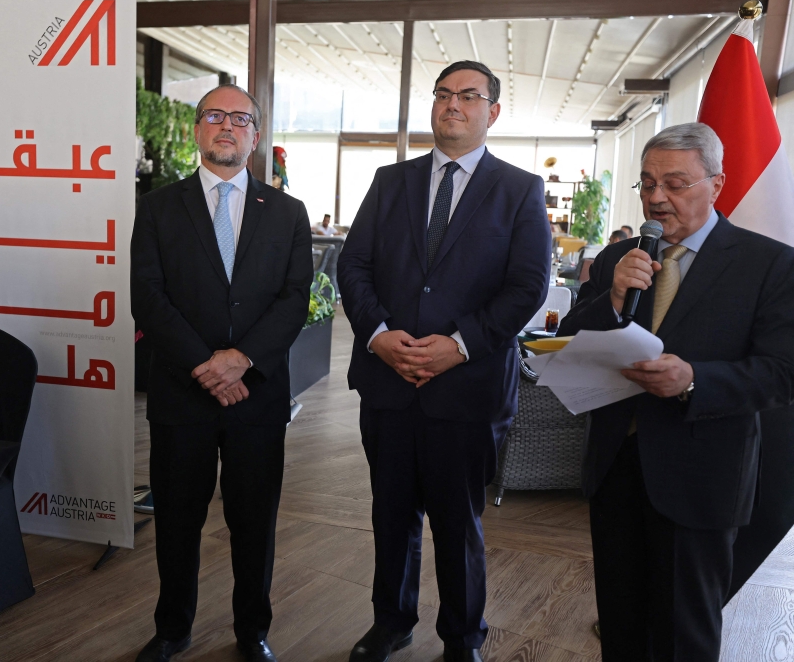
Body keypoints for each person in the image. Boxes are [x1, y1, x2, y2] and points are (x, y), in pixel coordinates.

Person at [338, 60, 551, 662]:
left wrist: (458, 345)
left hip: (468, 387)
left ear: (493, 112)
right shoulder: (389, 180)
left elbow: (528, 286)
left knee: (458, 523)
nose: (452, 104)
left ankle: (462, 637)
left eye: (468, 95)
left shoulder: (519, 190)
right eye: (442, 94)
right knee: (390, 513)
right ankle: (391, 621)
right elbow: (352, 265)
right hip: (388, 381)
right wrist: (379, 334)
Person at [557, 123, 794, 661]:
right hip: (615, 467)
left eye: (676, 183)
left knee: (683, 633)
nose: (657, 197)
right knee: (620, 623)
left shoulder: (769, 263)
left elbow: (782, 372)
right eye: (646, 183)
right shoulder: (622, 258)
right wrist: (613, 301)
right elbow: (569, 337)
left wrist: (694, 380)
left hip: (701, 475)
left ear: (717, 184)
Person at [131, 84, 313, 662]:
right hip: (182, 395)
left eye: (241, 118)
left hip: (256, 396)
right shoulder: (159, 207)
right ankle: (172, 628)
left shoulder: (287, 213)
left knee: (254, 521)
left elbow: (294, 297)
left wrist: (242, 361)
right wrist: (203, 365)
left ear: (256, 136)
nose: (227, 127)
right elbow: (147, 296)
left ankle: (251, 630)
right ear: (197, 130)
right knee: (177, 521)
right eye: (215, 116)